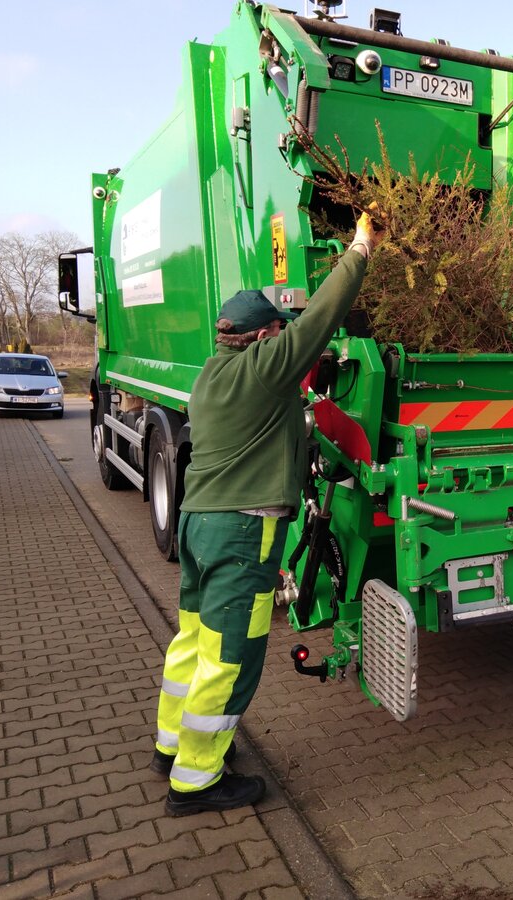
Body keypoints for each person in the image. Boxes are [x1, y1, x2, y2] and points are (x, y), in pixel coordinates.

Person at [151, 210, 386, 815]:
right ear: (260, 339)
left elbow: (288, 387)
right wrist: (360, 249)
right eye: (276, 334)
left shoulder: (211, 375)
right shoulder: (262, 369)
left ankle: (172, 744)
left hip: (199, 525)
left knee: (194, 641)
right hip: (241, 532)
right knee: (232, 656)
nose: (284, 340)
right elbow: (318, 322)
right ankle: (197, 779)